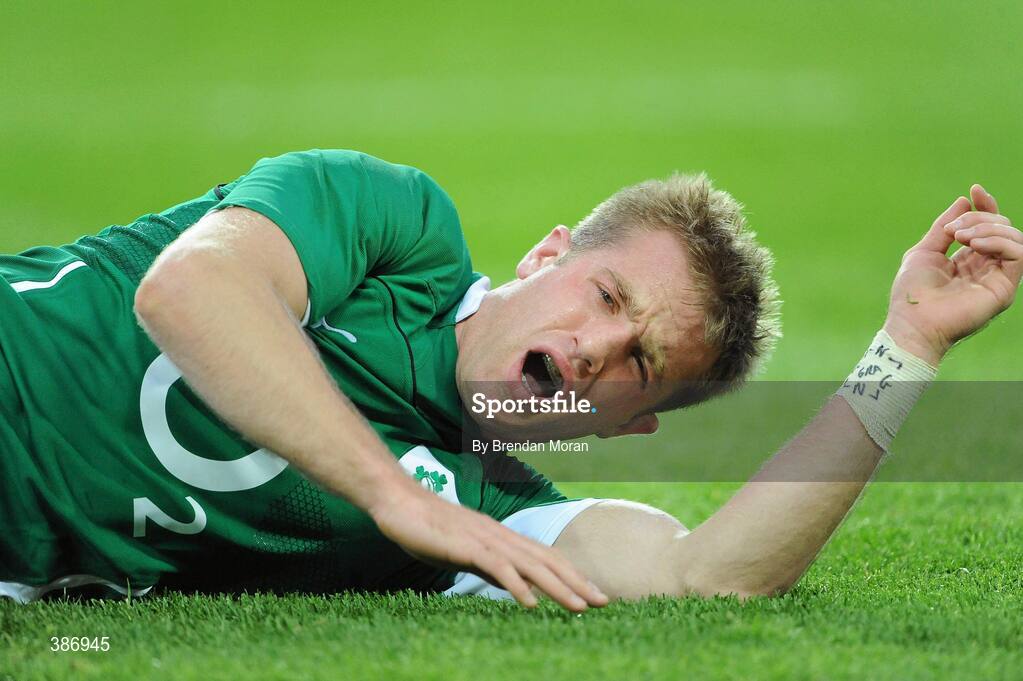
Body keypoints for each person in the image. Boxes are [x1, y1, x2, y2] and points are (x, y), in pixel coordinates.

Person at [0, 150, 1017, 608]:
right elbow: (191, 290)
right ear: (546, 256)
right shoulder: (394, 224)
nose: (593, 351)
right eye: (608, 298)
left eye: (638, 368)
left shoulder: (495, 513)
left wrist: (908, 347)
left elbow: (709, 576)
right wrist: (395, 497)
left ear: (628, 428)